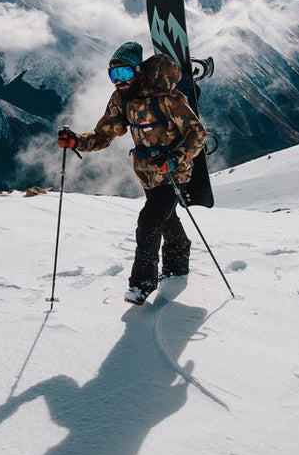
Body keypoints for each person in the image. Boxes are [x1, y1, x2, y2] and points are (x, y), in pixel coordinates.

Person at [57, 42, 206, 305]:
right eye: (113, 75)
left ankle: (141, 284)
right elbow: (104, 134)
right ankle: (178, 260)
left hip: (174, 172)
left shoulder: (167, 98)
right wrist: (76, 142)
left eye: (124, 74)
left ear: (138, 71)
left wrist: (174, 159)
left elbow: (197, 134)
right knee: (165, 216)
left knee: (149, 220)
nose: (119, 81)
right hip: (148, 173)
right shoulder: (121, 101)